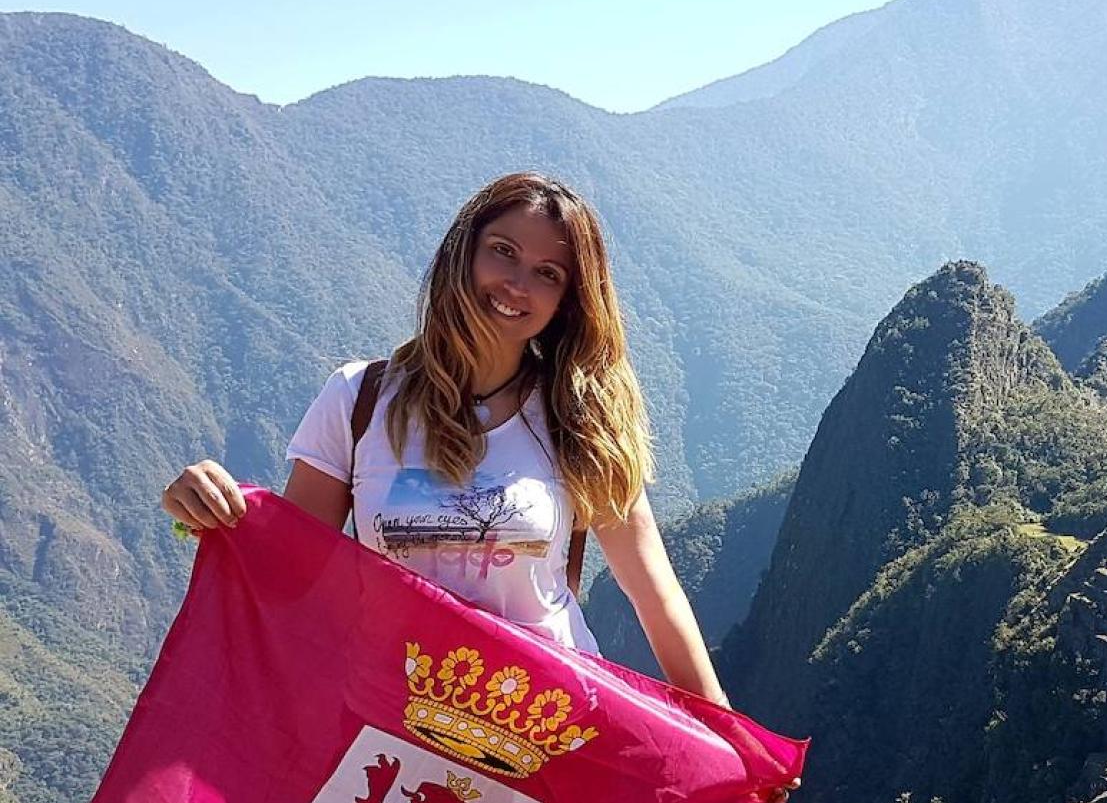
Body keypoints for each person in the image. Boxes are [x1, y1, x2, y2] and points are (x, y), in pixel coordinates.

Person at [161, 172, 754, 742]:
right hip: (387, 725)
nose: (517, 283)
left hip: (545, 736)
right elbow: (291, 572)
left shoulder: (580, 418)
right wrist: (210, 511)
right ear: (464, 253)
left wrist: (726, 728)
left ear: (566, 302)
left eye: (546, 273)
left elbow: (652, 589)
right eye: (503, 251)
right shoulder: (359, 400)